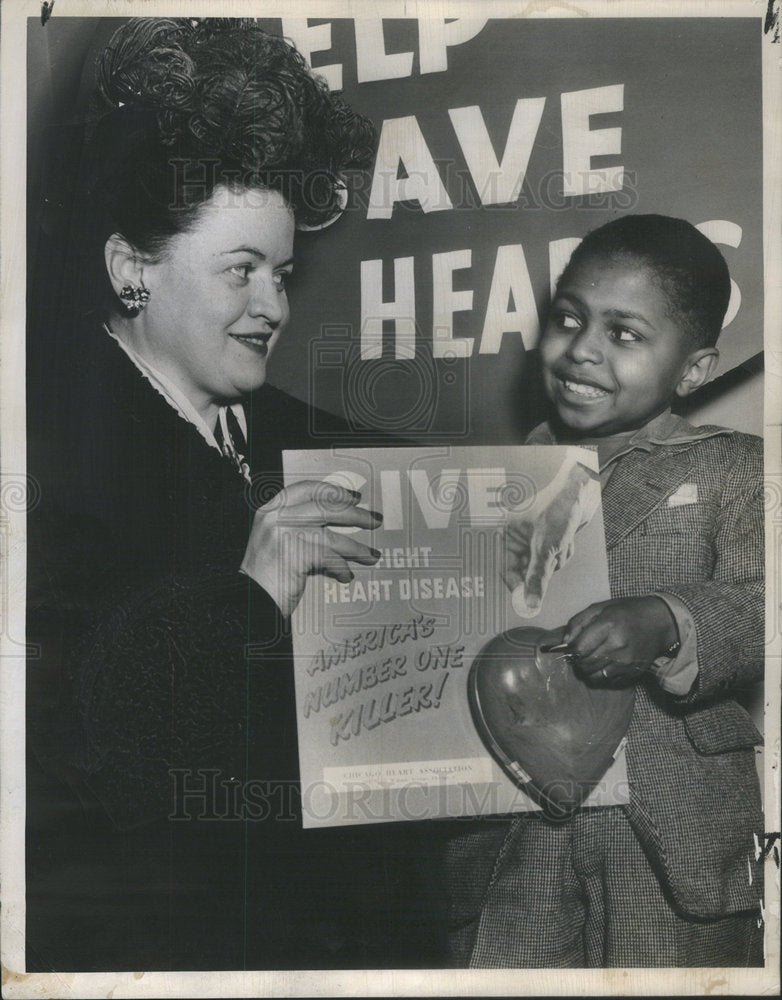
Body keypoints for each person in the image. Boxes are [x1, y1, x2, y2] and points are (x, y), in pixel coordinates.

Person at [27, 17, 444, 971]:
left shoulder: (325, 445)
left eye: (284, 274)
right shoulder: (49, 475)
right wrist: (249, 594)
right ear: (134, 270)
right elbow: (86, 771)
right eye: (242, 271)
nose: (275, 307)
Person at [443, 215, 764, 967]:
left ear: (693, 369)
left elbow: (768, 602)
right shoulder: (474, 488)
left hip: (670, 836)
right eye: (568, 318)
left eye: (624, 334)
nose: (581, 348)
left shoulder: (737, 471)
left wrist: (671, 620)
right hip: (510, 829)